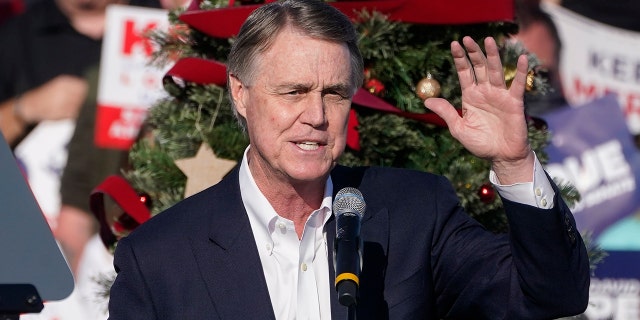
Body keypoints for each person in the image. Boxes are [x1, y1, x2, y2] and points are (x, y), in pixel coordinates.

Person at [107, 0, 590, 319]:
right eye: (293, 91)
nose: (315, 115)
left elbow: (550, 294)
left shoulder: (416, 212)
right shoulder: (158, 259)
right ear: (241, 93)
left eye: (334, 93)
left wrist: (512, 161)